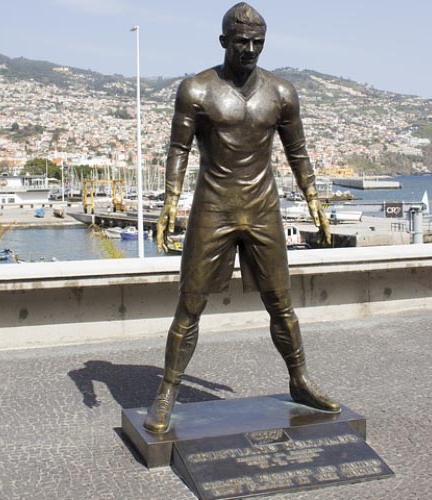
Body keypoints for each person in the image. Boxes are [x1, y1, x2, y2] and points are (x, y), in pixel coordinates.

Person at [144, 2, 339, 434]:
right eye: (241, 42)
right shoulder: (196, 90)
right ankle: (168, 390)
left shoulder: (282, 93)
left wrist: (313, 198)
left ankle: (300, 379)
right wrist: (169, 201)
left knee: (281, 304)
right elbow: (178, 149)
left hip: (263, 207)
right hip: (213, 207)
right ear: (223, 41)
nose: (250, 49)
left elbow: (297, 151)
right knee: (190, 303)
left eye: (257, 42)